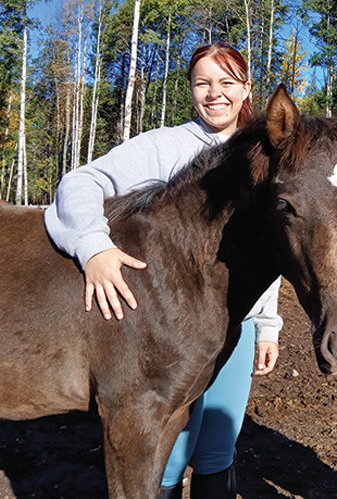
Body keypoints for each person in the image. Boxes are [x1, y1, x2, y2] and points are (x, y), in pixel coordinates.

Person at [45, 42, 283, 499]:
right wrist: (93, 245)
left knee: (217, 450)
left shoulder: (265, 155)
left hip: (238, 327)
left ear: (246, 88)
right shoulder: (163, 145)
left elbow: (269, 246)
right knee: (165, 453)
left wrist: (268, 325)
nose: (215, 94)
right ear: (190, 90)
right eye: (203, 83)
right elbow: (80, 181)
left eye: (227, 82)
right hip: (165, 336)